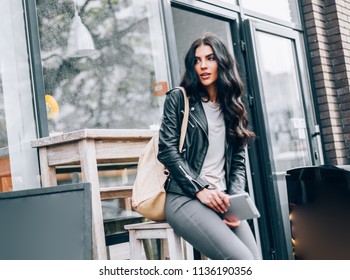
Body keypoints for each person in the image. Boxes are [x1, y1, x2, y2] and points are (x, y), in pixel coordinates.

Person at [157, 33, 261, 260]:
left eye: (210, 58)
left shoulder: (233, 108)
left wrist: (235, 203)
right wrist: (200, 189)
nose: (202, 65)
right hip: (185, 197)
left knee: (255, 262)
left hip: (222, 200)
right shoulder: (179, 98)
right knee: (241, 261)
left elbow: (238, 164)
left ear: (222, 62)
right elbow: (167, 150)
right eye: (197, 60)